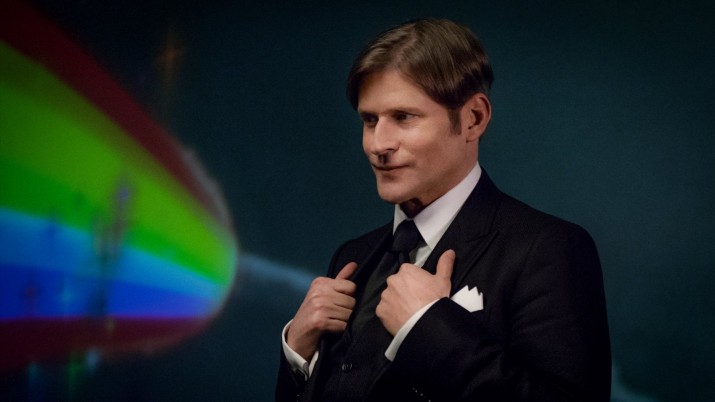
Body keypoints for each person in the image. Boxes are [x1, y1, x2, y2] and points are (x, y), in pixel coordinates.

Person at [275, 18, 611, 402]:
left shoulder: (549, 248)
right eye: (370, 120)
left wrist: (426, 327)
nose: (378, 144)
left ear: (473, 119)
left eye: (403, 117)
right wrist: (298, 351)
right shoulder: (352, 256)